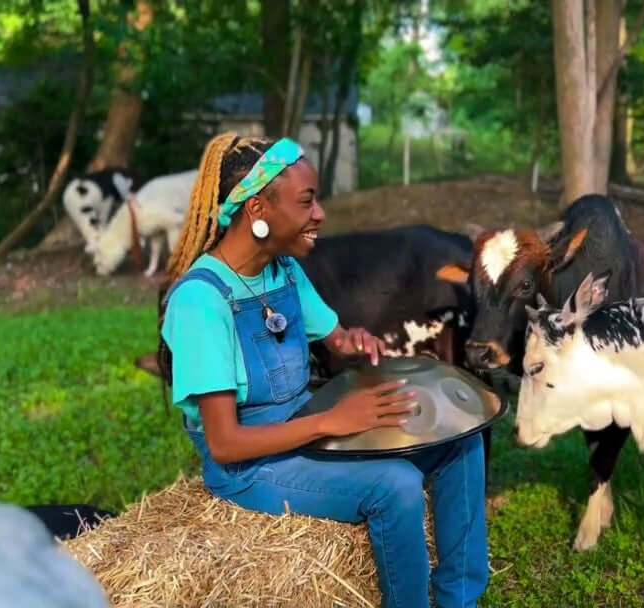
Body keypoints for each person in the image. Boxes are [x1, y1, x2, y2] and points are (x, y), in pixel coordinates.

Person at [157, 133, 489, 608]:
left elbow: (335, 338)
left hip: (305, 427)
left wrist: (355, 343)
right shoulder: (201, 301)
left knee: (461, 440)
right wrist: (330, 423)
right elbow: (225, 444)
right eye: (307, 201)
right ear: (257, 211)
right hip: (251, 466)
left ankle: (459, 599)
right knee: (395, 486)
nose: (320, 214)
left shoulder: (283, 272)